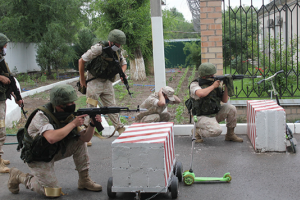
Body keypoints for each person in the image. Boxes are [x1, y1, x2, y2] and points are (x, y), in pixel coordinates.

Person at [7, 84, 102, 197]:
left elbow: (85, 138)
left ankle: (84, 180)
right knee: (52, 192)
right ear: (58, 104)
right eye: (69, 103)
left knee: (78, 141)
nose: (73, 105)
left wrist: (92, 124)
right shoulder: (42, 116)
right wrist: (73, 124)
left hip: (53, 150)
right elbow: (51, 138)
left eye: (73, 102)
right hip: (38, 156)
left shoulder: (67, 115)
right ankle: (18, 176)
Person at [78, 29, 127, 145]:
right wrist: (82, 79)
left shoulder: (117, 51)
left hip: (107, 82)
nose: (119, 46)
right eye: (117, 44)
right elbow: (81, 60)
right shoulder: (98, 48)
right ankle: (86, 134)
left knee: (112, 106)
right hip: (94, 81)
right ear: (111, 41)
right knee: (91, 108)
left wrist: (122, 73)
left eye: (120, 44)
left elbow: (123, 63)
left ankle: (120, 129)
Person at [188, 62, 243, 143]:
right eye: (210, 76)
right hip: (200, 116)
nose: (213, 77)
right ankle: (197, 131)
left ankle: (230, 135)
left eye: (213, 75)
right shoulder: (195, 84)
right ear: (203, 76)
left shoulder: (213, 84)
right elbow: (201, 94)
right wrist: (213, 86)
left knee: (231, 108)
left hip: (213, 113)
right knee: (216, 131)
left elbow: (224, 100)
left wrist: (227, 86)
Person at [0, 33, 24, 173]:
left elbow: (11, 79)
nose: (6, 48)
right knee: (0, 130)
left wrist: (18, 97)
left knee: (1, 129)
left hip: (1, 99)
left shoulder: (1, 61)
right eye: (4, 46)